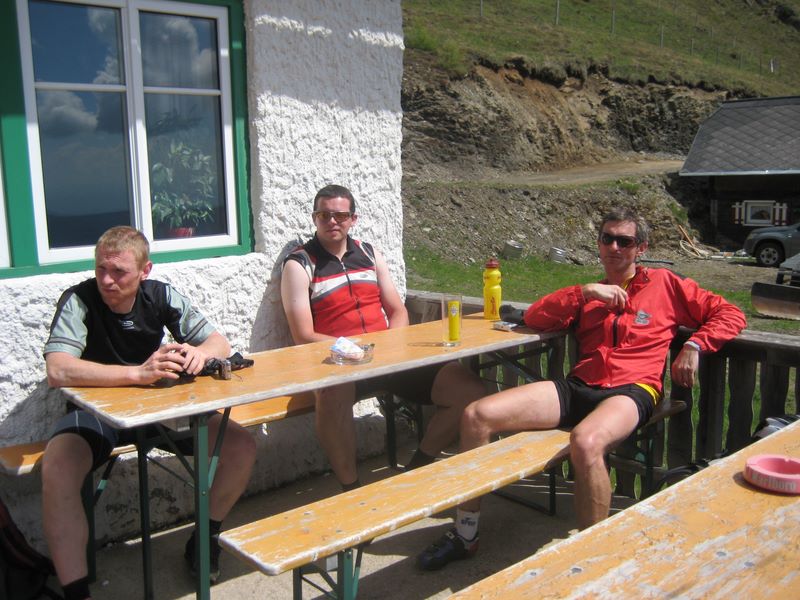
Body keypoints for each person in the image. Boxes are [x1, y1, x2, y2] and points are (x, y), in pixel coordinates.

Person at [416, 208, 747, 570]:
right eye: (607, 239)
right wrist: (584, 292)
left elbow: (731, 313)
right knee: (476, 415)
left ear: (641, 248)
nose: (614, 247)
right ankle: (466, 534)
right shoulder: (590, 294)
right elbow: (535, 317)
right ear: (599, 244)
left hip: (632, 390)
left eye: (625, 241)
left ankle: (592, 557)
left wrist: (695, 345)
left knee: (586, 442)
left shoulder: (665, 284)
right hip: (579, 385)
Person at [41, 226, 256, 599]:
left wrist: (200, 353)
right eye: (101, 268)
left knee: (241, 447)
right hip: (97, 414)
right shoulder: (79, 299)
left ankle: (204, 539)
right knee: (57, 467)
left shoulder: (159, 295)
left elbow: (218, 341)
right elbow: (58, 369)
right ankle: (76, 593)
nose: (107, 280)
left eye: (119, 271)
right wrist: (136, 374)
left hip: (156, 410)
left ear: (145, 271)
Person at [280, 184, 486, 491]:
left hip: (387, 357)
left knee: (469, 389)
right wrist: (353, 350)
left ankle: (418, 467)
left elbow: (397, 310)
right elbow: (303, 335)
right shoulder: (299, 264)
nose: (332, 221)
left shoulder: (368, 253)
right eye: (324, 215)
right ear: (315, 218)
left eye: (340, 215)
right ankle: (351, 489)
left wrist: (392, 346)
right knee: (330, 395)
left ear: (353, 219)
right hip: (340, 362)